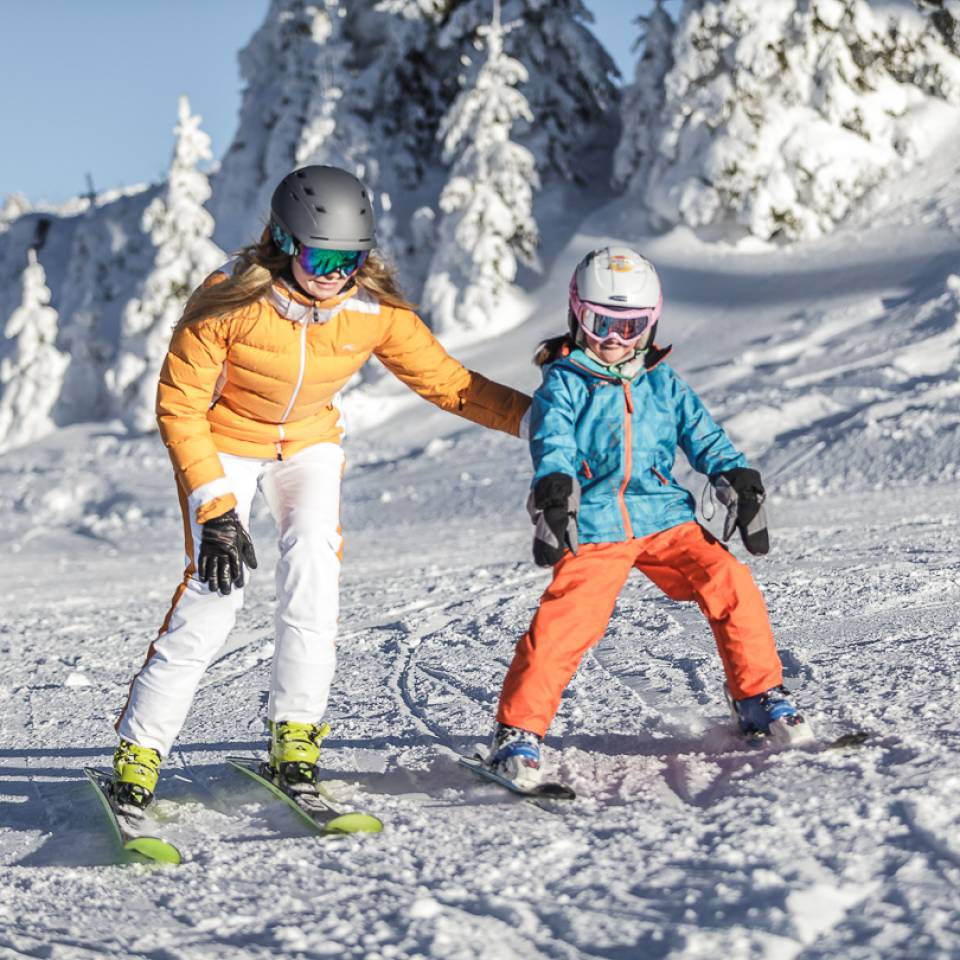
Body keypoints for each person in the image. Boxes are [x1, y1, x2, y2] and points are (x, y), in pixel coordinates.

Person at [112, 164, 530, 808]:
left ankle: (295, 737)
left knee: (314, 570)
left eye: (350, 257)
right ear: (282, 241)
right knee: (216, 591)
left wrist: (541, 421)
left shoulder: (371, 309)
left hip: (307, 443)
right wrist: (217, 510)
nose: (336, 272)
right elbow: (180, 408)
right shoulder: (228, 298)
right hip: (225, 440)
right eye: (321, 255)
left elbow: (450, 384)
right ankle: (140, 754)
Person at [484, 245, 813, 789]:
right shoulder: (563, 383)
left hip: (664, 517)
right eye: (599, 322)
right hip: (594, 524)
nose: (614, 339)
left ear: (650, 323)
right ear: (575, 315)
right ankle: (516, 733)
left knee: (728, 579)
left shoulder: (664, 383)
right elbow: (554, 443)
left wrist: (735, 477)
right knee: (566, 623)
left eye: (630, 326)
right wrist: (555, 491)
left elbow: (703, 437)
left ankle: (758, 698)